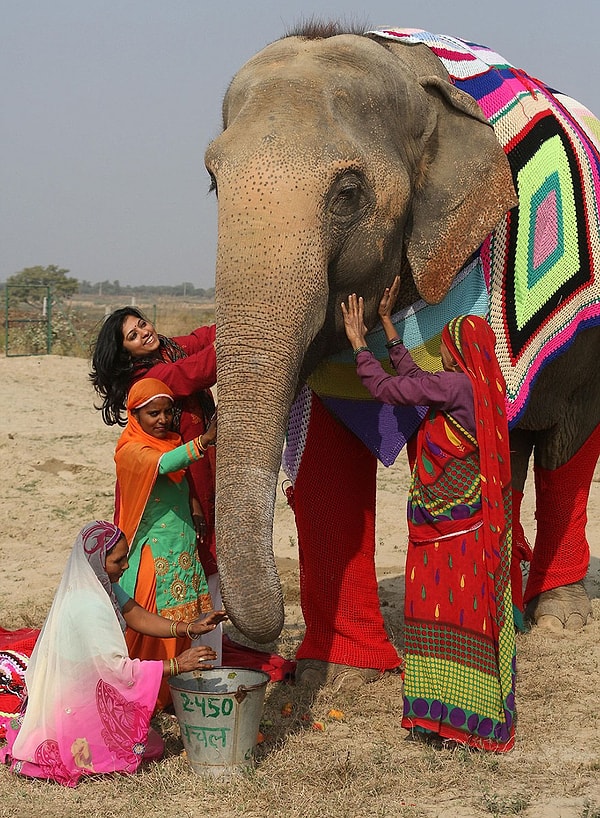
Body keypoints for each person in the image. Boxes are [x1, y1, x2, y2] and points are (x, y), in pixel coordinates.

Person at [341, 276, 516, 752]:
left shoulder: (457, 385)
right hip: (472, 528)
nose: (443, 351)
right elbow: (420, 382)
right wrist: (390, 331)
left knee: (430, 614)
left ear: (459, 351)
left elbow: (390, 388)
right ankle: (465, 718)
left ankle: (435, 717)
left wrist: (360, 344)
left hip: (443, 534)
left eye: (449, 344)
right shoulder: (485, 389)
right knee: (463, 620)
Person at [0, 521, 222, 787]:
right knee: (138, 749)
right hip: (76, 698)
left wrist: (189, 628)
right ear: (97, 562)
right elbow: (118, 671)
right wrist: (177, 664)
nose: (126, 566)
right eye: (119, 561)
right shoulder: (89, 605)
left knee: (149, 743)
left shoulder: (101, 585)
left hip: (87, 689)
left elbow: (136, 614)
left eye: (126, 557)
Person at [89, 308, 222, 659]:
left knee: (203, 557)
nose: (143, 334)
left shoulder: (168, 348)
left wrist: (234, 321)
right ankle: (164, 660)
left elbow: (200, 339)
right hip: (180, 477)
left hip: (196, 473)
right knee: (191, 562)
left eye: (142, 324)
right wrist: (204, 442)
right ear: (125, 353)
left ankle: (197, 648)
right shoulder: (152, 376)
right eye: (132, 336)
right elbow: (195, 370)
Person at [114, 377, 224, 711]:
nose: (162, 419)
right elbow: (163, 465)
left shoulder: (172, 441)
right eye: (152, 414)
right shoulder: (131, 450)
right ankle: (142, 693)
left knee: (186, 619)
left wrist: (193, 506)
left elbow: (180, 476)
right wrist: (204, 441)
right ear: (135, 415)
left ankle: (173, 693)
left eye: (166, 412)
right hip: (154, 555)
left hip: (182, 547)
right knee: (150, 626)